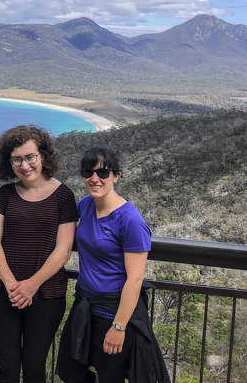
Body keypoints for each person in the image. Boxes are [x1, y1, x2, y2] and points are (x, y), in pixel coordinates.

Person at [56, 147, 169, 383]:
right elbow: (57, 219)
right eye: (88, 172)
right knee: (69, 370)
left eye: (103, 173)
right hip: (85, 305)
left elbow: (135, 279)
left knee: (110, 376)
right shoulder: (86, 205)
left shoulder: (130, 220)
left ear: (116, 176)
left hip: (112, 312)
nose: (94, 178)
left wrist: (119, 327)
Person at [0, 125, 78, 383]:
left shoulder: (64, 196)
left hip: (47, 295)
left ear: (43, 157)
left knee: (34, 368)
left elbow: (63, 250)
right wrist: (12, 285)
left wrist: (31, 285)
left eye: (30, 157)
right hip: (4, 293)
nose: (24, 165)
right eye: (17, 159)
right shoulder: (6, 194)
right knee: (7, 369)